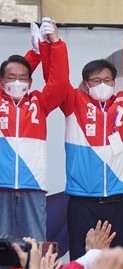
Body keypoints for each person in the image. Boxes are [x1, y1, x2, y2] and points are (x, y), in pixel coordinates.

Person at [53, 14, 123, 260]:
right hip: (82, 201)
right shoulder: (73, 102)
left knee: (119, 267)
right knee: (82, 262)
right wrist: (56, 43)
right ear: (85, 84)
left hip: (119, 200)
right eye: (96, 80)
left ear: (114, 82)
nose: (102, 84)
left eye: (107, 80)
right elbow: (57, 80)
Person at [0, 17, 68, 241]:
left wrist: (55, 44)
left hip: (33, 185)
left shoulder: (39, 102)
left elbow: (59, 84)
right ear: (2, 81)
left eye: (23, 78)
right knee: (2, 248)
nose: (17, 82)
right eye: (12, 78)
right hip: (1, 186)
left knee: (36, 247)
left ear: (30, 82)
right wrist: (35, 53)